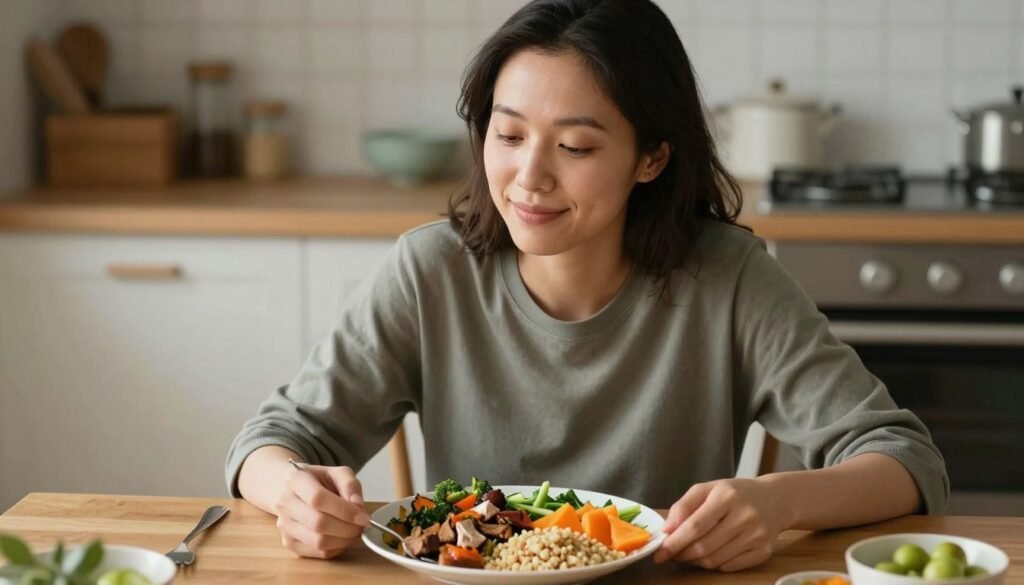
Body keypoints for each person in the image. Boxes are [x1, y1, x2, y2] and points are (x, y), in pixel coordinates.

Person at [226, 0, 948, 572]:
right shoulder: (431, 271)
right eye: (508, 136)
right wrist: (294, 491)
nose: (529, 177)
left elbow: (905, 460)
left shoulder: (729, 279)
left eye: (574, 147)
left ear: (652, 157)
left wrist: (778, 500)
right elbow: (272, 440)